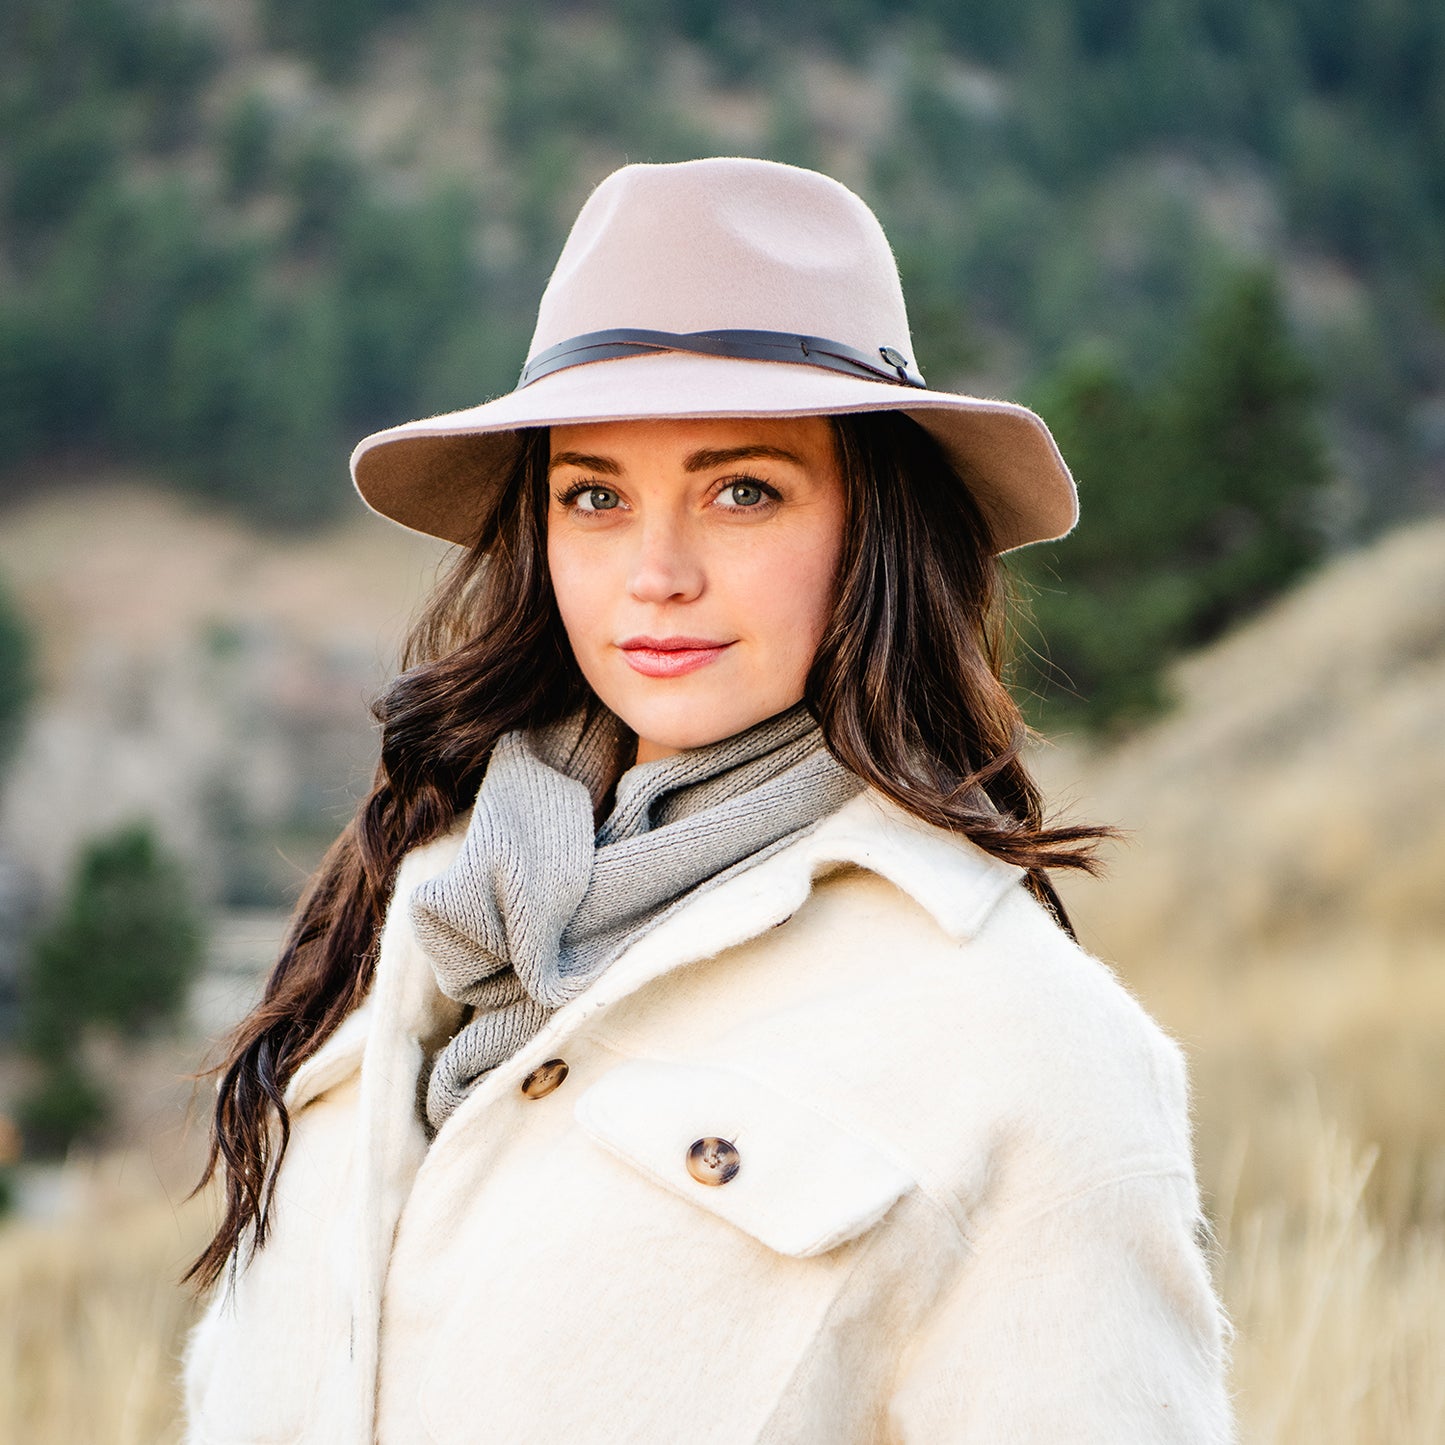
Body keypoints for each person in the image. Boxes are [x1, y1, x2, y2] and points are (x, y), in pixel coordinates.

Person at [181, 157, 1236, 1444]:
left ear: (873, 526)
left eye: (743, 490)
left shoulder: (1017, 1038)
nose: (656, 573)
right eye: (595, 496)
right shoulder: (402, 933)